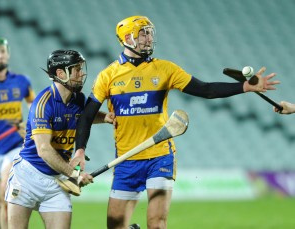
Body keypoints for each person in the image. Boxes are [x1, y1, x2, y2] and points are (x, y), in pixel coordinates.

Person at [74, 16, 280, 229]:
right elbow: (88, 116)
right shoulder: (108, 76)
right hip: (126, 160)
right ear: (128, 38)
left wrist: (244, 87)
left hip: (160, 156)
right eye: (143, 33)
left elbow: (206, 90)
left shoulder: (165, 69)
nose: (149, 38)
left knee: (157, 223)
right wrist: (80, 150)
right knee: (115, 225)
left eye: (150, 33)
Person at [5, 49, 115, 229]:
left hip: (57, 181)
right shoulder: (43, 104)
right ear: (60, 73)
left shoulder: (78, 99)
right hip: (27, 177)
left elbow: (82, 116)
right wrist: (74, 174)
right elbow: (44, 150)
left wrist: (105, 118)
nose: (82, 73)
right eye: (77, 69)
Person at [0, 37, 35, 229]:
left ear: (8, 54)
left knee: (6, 194)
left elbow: (35, 110)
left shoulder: (22, 82)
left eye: (2, 51)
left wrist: (27, 127)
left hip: (13, 147)